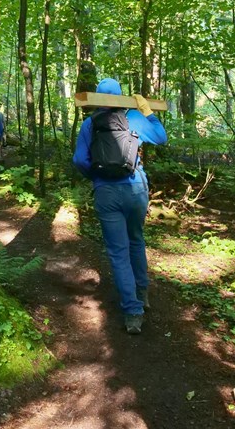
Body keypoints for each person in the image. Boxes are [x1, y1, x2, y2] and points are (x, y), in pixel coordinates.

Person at [72, 78, 167, 335]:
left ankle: (133, 313)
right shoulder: (134, 119)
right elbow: (161, 137)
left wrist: (97, 178)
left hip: (107, 192)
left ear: (99, 98)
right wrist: (147, 113)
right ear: (120, 97)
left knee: (118, 251)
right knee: (136, 240)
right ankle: (142, 293)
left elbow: (80, 159)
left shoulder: (90, 124)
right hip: (136, 189)